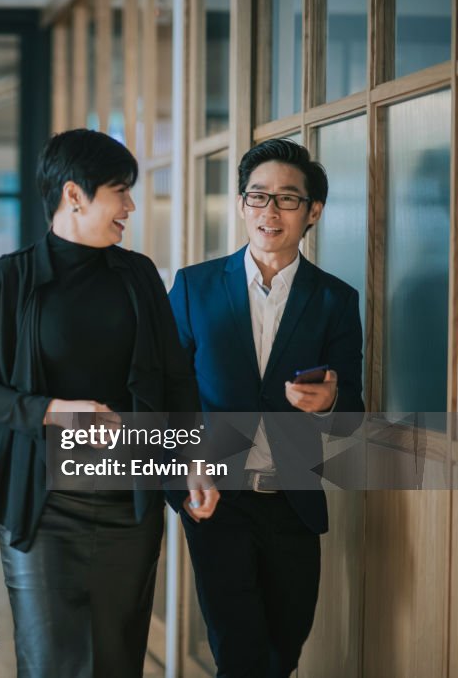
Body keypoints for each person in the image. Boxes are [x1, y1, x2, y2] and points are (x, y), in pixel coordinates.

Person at [0, 128, 217, 678]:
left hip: (130, 501)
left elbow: (176, 380)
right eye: (119, 190)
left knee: (118, 661)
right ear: (74, 195)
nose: (129, 205)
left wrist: (193, 460)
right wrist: (52, 410)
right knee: (51, 663)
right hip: (43, 503)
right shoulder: (9, 278)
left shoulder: (138, 275)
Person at [167, 138, 364, 677]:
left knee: (283, 652)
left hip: (293, 505)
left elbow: (352, 410)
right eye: (257, 197)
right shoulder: (193, 287)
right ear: (240, 204)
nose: (269, 212)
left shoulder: (335, 300)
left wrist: (329, 403)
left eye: (287, 199)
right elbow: (167, 394)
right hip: (217, 502)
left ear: (313, 212)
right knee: (239, 652)